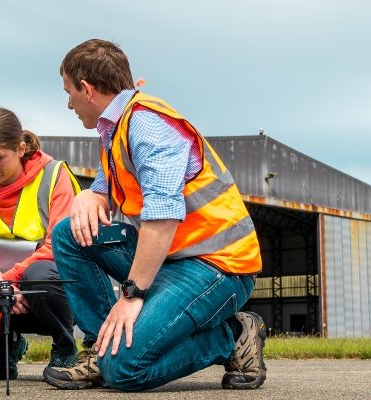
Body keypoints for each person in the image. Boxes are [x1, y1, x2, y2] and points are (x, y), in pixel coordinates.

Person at [43, 39, 266, 392]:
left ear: (87, 89)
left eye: (68, 92)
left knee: (125, 371)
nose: (68, 103)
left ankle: (233, 335)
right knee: (70, 233)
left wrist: (131, 295)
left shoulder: (148, 126)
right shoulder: (116, 127)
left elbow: (162, 219)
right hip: (172, 258)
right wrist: (89, 194)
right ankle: (101, 347)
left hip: (218, 266)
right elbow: (108, 187)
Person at [0, 107, 81, 380]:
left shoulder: (54, 176)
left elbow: (59, 248)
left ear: (21, 149)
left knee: (41, 275)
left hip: (50, 292)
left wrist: (7, 283)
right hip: (1, 293)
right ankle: (7, 349)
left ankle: (65, 347)